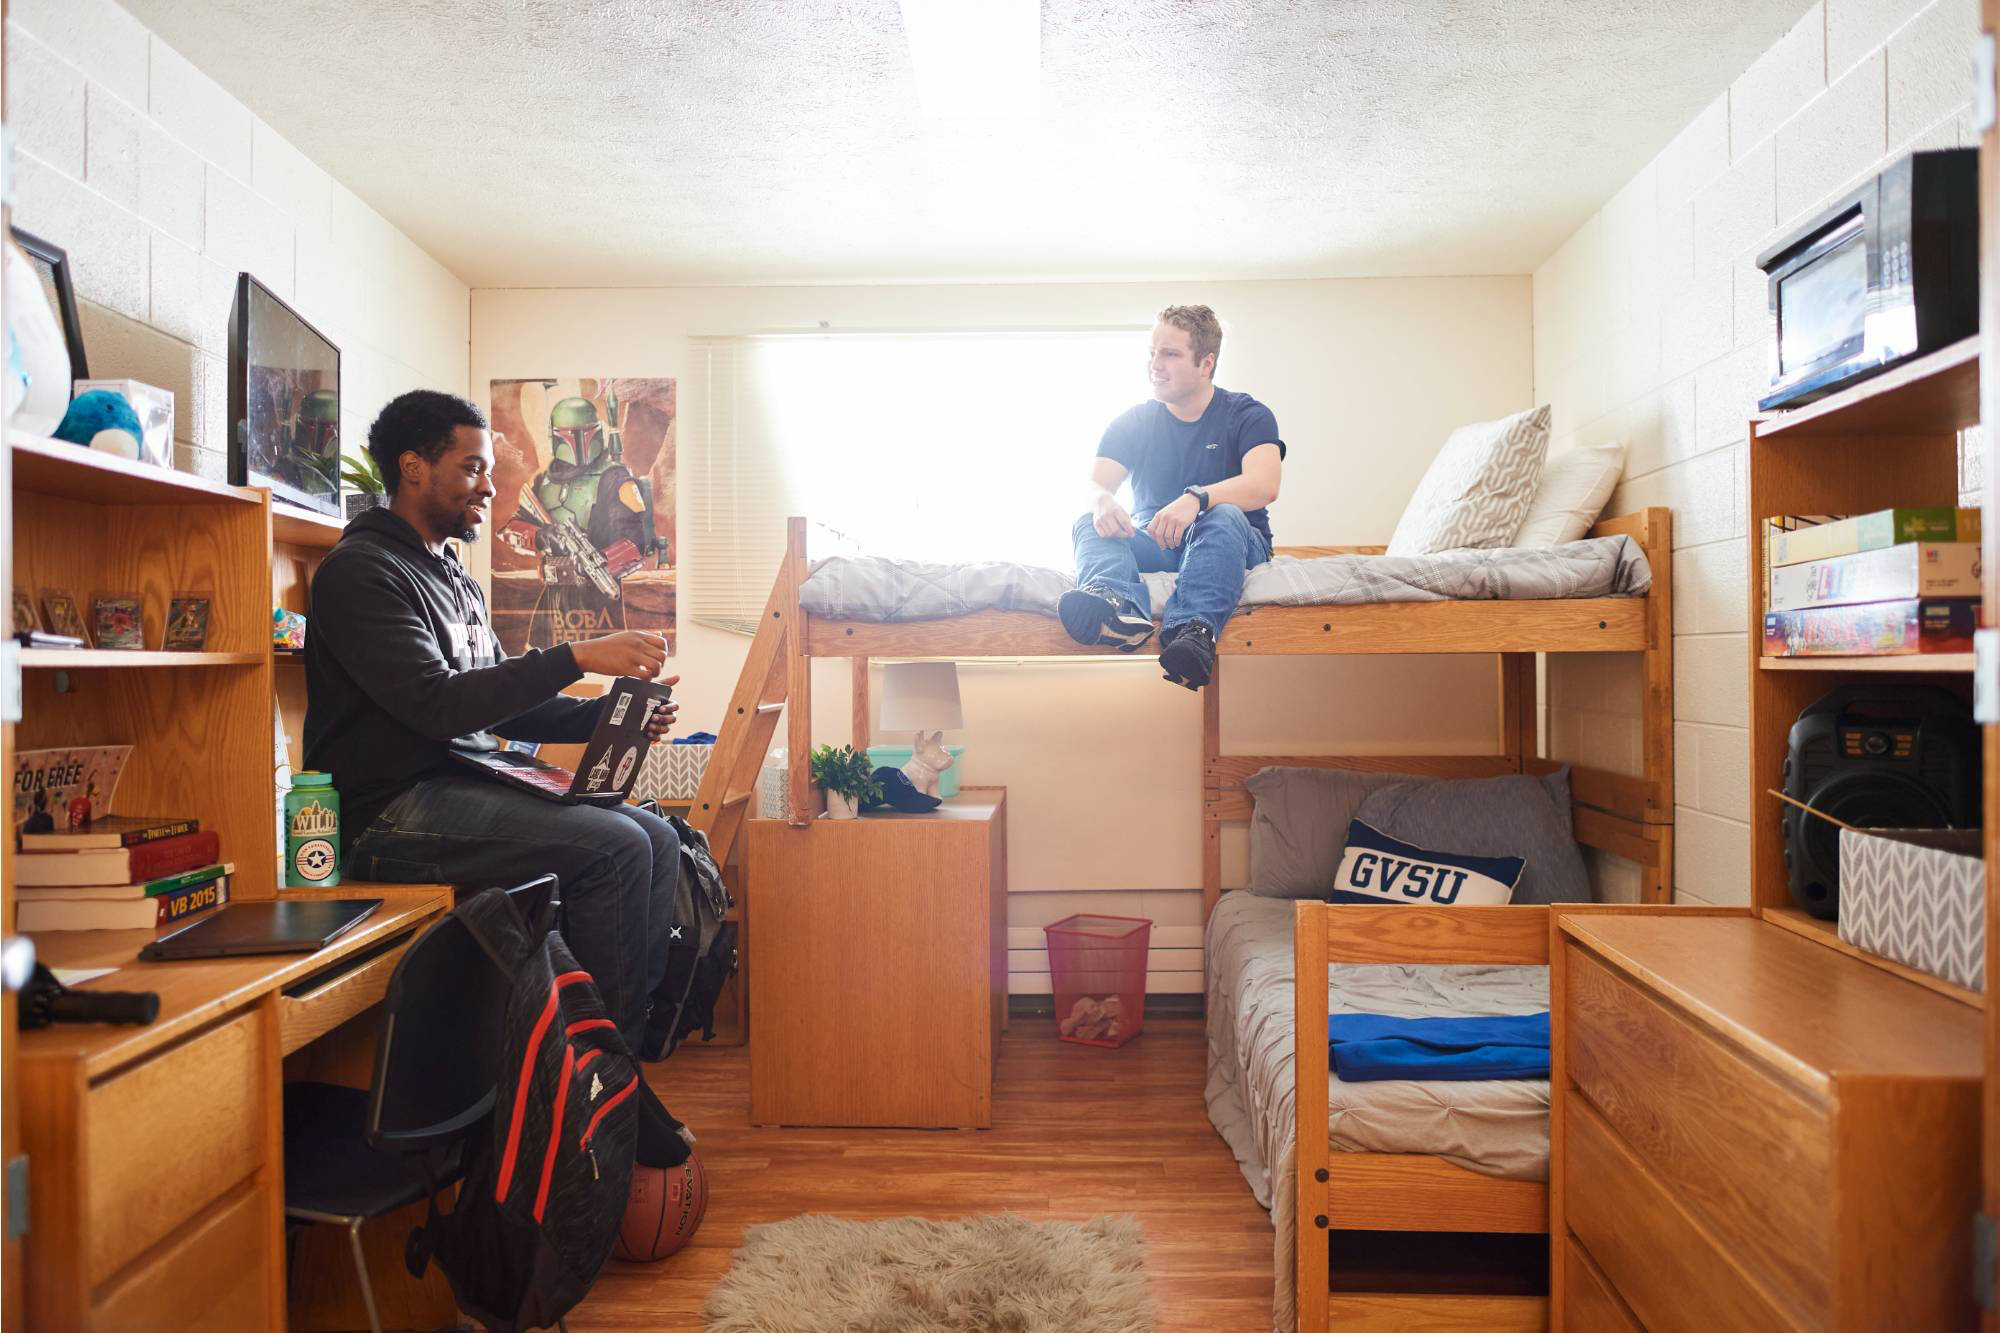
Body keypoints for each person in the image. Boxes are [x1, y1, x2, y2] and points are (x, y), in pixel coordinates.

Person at [304, 388, 690, 1169]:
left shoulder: (450, 574)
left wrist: (606, 715)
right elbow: (437, 704)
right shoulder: (360, 574)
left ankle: (616, 1063)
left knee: (651, 831)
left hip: (460, 783)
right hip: (393, 812)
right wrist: (580, 654)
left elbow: (497, 703)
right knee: (615, 847)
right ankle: (600, 1085)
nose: (491, 484)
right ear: (413, 469)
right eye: (472, 468)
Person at [1059, 305, 1285, 690]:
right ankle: (1118, 610)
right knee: (1089, 521)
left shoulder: (1247, 414)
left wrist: (1197, 499)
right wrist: (1103, 502)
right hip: (1158, 542)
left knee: (1225, 514)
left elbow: (1264, 485)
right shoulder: (1134, 421)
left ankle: (1193, 631)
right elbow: (1095, 485)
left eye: (1170, 354)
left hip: (1232, 542)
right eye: (1152, 353)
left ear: (1206, 364)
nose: (1155, 365)